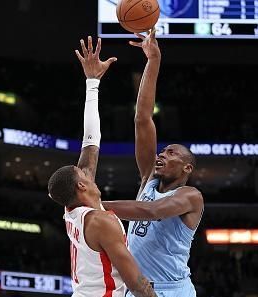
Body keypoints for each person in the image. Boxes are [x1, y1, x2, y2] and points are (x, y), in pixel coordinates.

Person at [47, 36, 157, 297]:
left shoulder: (73, 208)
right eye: (81, 171)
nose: (85, 168)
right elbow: (136, 282)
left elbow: (90, 141)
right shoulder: (99, 222)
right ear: (82, 184)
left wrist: (92, 83)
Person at [102, 30, 204, 297]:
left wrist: (98, 206)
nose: (161, 155)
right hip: (137, 289)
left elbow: (153, 211)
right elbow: (142, 119)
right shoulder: (150, 177)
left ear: (187, 168)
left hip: (172, 291)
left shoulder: (191, 196)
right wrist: (153, 60)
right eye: (162, 151)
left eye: (171, 153)